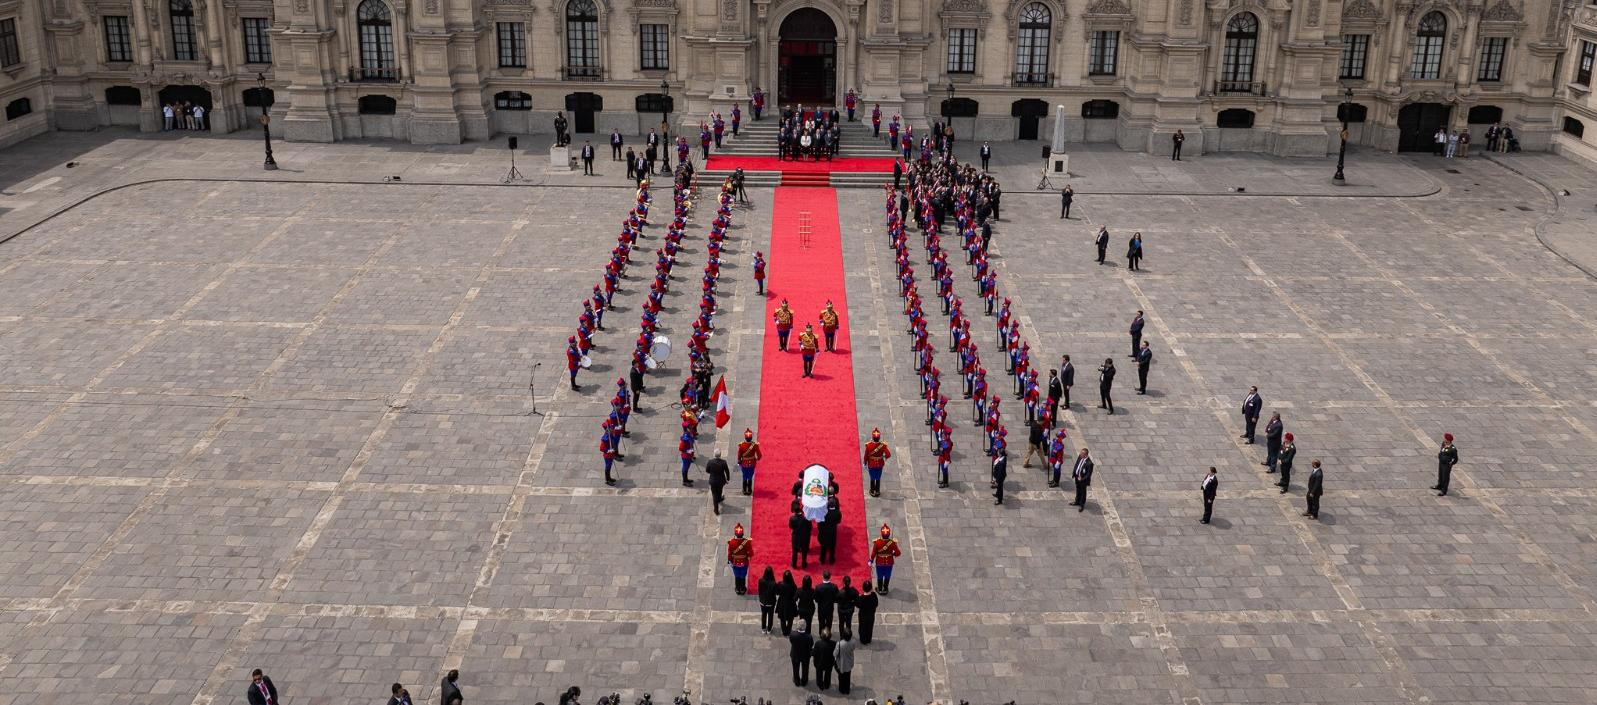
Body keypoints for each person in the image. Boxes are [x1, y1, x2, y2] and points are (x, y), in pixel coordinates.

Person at [870, 524, 900, 594]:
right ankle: (885, 589)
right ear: (889, 534)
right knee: (887, 575)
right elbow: (898, 553)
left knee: (879, 576)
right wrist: (893, 553)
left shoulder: (877, 542)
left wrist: (871, 560)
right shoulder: (892, 543)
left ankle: (880, 589)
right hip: (889, 562)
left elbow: (873, 554)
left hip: (879, 563)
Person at [863, 428, 891, 496]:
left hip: (871, 465)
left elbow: (866, 455)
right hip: (880, 464)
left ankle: (872, 491)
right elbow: (888, 454)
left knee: (872, 478)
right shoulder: (883, 445)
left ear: (872, 437)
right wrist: (883, 456)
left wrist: (865, 463)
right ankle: (877, 491)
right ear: (879, 437)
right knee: (878, 478)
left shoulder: (868, 445)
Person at [736, 428, 762, 495]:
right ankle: (749, 490)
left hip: (744, 463)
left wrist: (739, 461)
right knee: (750, 476)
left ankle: (744, 490)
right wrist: (757, 458)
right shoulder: (755, 445)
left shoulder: (741, 445)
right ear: (751, 437)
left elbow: (739, 455)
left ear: (745, 437)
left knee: (744, 476)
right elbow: (759, 455)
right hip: (752, 463)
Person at [817, 498, 841, 564]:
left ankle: (822, 559)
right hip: (832, 532)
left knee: (823, 547)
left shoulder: (824, 513)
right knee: (832, 547)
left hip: (824, 532)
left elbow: (820, 522)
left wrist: (820, 530)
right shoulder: (837, 513)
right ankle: (831, 560)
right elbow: (838, 521)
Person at [756, 566, 779, 633]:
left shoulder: (761, 580)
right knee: (770, 615)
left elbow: (759, 590)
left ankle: (763, 628)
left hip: (763, 601)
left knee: (763, 614)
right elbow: (776, 593)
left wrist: (760, 597)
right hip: (771, 602)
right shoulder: (774, 583)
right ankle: (769, 629)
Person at [706, 449, 729, 514]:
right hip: (721, 480)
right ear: (720, 455)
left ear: (714, 455)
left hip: (713, 481)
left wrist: (712, 472)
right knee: (719, 491)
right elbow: (727, 471)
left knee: (714, 494)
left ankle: (717, 507)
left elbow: (707, 470)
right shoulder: (723, 462)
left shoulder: (710, 462)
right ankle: (718, 502)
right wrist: (728, 479)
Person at [776, 570, 799, 635]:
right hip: (791, 603)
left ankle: (784, 631)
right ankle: (788, 631)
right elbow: (795, 595)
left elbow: (777, 592)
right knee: (790, 619)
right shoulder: (793, 585)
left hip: (782, 603)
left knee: (782, 618)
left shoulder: (780, 584)